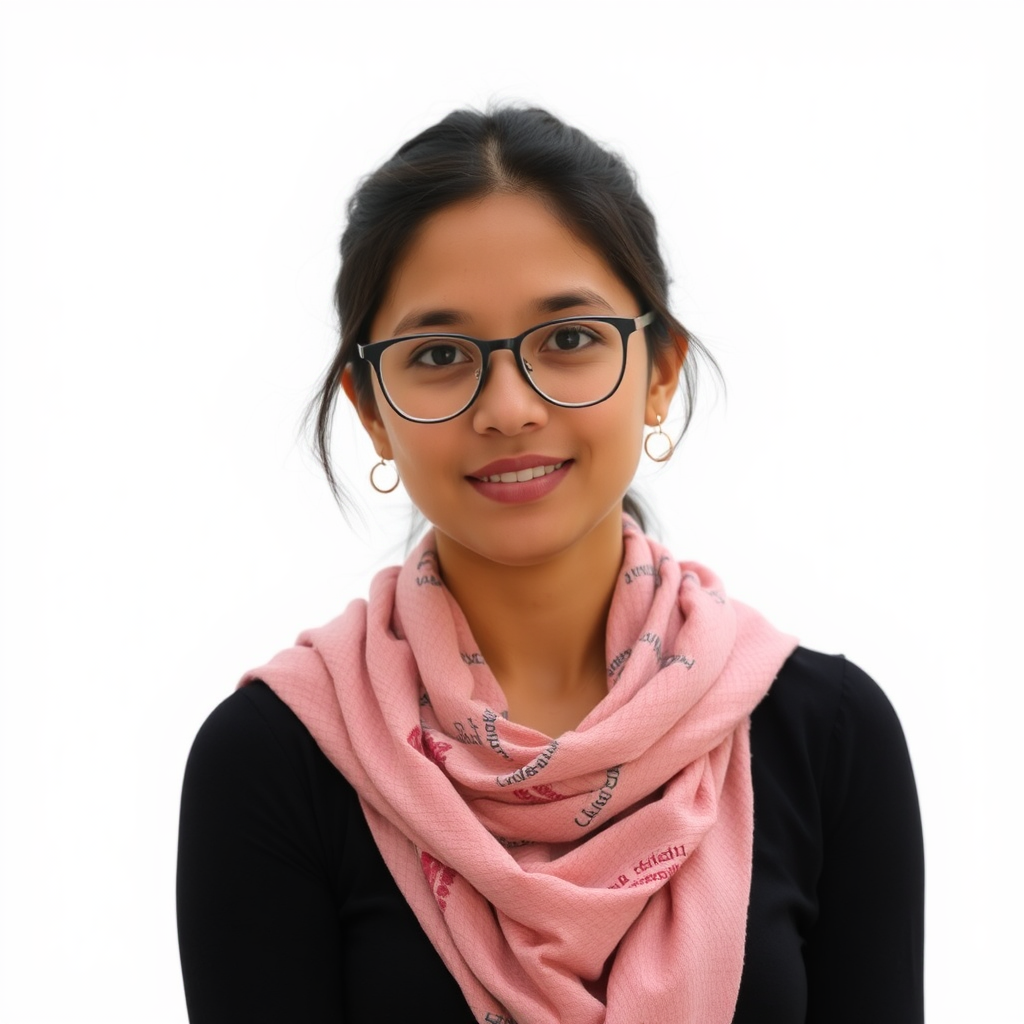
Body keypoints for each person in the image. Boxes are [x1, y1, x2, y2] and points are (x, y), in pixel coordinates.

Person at [176, 106, 924, 1024]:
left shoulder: (829, 737)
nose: (508, 406)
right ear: (371, 409)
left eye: (568, 340)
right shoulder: (277, 758)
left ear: (659, 371)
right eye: (441, 355)